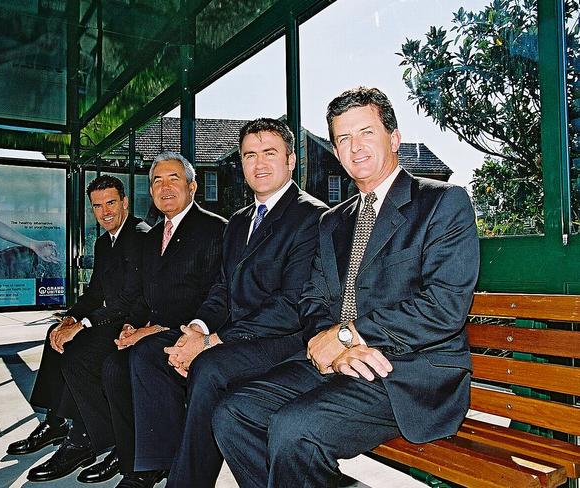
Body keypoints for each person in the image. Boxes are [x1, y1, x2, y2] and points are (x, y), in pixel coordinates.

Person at [212, 87, 480, 488]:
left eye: (366, 133)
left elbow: (443, 306)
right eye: (343, 139)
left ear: (393, 137)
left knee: (294, 428)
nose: (355, 148)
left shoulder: (442, 203)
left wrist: (348, 335)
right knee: (233, 412)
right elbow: (314, 298)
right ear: (335, 151)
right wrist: (334, 346)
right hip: (341, 363)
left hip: (407, 372)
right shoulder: (332, 222)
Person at [126, 118, 327, 488]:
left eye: (270, 153)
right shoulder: (238, 221)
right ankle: (157, 462)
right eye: (250, 155)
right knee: (152, 351)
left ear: (291, 160)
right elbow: (222, 288)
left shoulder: (312, 217)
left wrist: (212, 342)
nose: (259, 163)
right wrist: (198, 329)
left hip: (283, 339)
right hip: (235, 335)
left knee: (209, 367)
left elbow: (291, 305)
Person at [63, 152, 227, 486]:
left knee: (141, 356)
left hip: (193, 331)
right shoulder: (152, 237)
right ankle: (130, 456)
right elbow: (144, 294)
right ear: (150, 190)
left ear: (193, 186)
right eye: (157, 181)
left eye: (174, 179)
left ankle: (151, 465)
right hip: (153, 328)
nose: (165, 187)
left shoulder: (215, 229)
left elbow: (216, 295)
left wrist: (153, 329)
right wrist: (131, 325)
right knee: (113, 364)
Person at [6, 175, 150, 483]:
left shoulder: (139, 236)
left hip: (133, 323)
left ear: (124, 202)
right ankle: (56, 421)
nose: (105, 211)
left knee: (78, 351)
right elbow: (96, 293)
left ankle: (87, 436)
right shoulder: (103, 242)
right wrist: (71, 318)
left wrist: (84, 324)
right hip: (110, 317)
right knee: (55, 336)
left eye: (111, 203)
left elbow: (130, 298)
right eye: (97, 206)